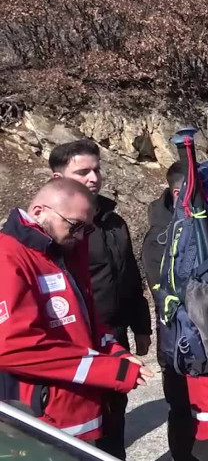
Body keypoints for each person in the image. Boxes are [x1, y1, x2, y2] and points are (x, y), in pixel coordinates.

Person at [0, 178, 153, 441]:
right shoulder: (9, 257)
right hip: (45, 424)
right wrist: (109, 370)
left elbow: (86, 321)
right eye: (75, 226)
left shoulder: (62, 253)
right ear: (40, 211)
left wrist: (113, 350)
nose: (81, 236)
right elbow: (12, 346)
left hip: (83, 413)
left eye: (87, 229)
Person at [49, 139, 152, 459]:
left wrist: (141, 327)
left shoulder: (113, 221)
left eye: (96, 170)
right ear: (57, 178)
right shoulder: (53, 228)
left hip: (114, 337)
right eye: (83, 172)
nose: (94, 178)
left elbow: (130, 277)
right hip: (74, 343)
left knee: (114, 415)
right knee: (74, 428)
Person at [141, 161, 201, 461]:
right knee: (182, 410)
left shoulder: (201, 224)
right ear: (179, 193)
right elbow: (168, 294)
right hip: (176, 342)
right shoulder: (159, 237)